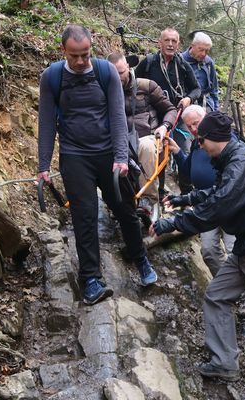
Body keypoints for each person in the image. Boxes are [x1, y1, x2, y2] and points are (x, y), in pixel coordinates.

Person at [150, 111, 245, 400]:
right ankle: (224, 363)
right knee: (216, 296)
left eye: (201, 139)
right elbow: (218, 191)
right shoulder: (230, 159)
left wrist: (172, 224)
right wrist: (186, 199)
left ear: (215, 139)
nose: (199, 144)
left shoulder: (243, 163)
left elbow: (218, 207)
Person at [38, 25, 157, 306]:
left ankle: (141, 259)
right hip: (74, 155)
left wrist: (120, 157)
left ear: (92, 49)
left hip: (108, 154)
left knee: (126, 209)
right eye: (74, 56)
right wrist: (43, 164)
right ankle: (91, 279)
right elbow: (45, 123)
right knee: (85, 216)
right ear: (63, 51)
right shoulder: (52, 77)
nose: (80, 61)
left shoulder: (105, 72)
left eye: (85, 55)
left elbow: (118, 116)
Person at [165, 105, 245, 317]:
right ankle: (234, 290)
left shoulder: (227, 141)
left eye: (196, 123)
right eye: (189, 126)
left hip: (230, 203)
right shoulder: (197, 144)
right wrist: (178, 152)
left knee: (235, 250)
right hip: (206, 204)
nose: (194, 128)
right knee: (209, 251)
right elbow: (188, 171)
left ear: (206, 118)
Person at [108, 53, 177, 220]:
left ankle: (149, 201)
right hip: (119, 140)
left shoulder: (147, 86)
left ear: (129, 69)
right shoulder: (105, 91)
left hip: (149, 137)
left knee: (144, 147)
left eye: (121, 72)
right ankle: (117, 201)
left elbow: (170, 110)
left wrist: (164, 126)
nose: (118, 77)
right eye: (114, 74)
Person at [135, 28, 200, 194]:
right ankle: (160, 190)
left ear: (178, 44)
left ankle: (187, 192)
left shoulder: (183, 65)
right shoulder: (148, 63)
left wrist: (188, 99)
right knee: (157, 152)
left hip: (179, 116)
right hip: (154, 116)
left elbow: (196, 89)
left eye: (174, 41)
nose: (170, 44)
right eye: (167, 40)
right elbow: (134, 84)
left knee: (183, 150)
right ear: (160, 42)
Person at [182, 32, 220, 112]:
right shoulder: (180, 61)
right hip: (186, 103)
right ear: (192, 45)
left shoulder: (208, 62)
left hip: (205, 103)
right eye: (201, 50)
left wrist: (216, 110)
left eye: (206, 51)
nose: (203, 54)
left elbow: (214, 89)